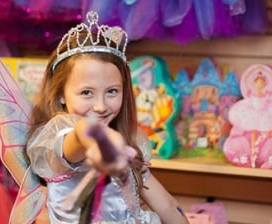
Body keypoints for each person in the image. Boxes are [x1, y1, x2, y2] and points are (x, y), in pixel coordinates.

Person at [26, 10, 190, 224]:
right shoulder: (58, 139)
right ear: (60, 96)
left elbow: (166, 204)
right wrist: (96, 138)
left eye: (112, 91)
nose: (101, 106)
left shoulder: (127, 142)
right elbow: (78, 136)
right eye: (86, 92)